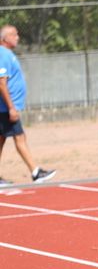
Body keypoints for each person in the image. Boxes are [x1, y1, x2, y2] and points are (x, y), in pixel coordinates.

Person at [0, 25, 55, 186]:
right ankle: (36, 172)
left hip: (6, 108)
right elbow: (2, 83)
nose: (17, 37)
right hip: (6, 108)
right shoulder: (3, 54)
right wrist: (11, 107)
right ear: (5, 39)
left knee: (2, 140)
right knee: (20, 138)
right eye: (14, 35)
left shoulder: (7, 54)